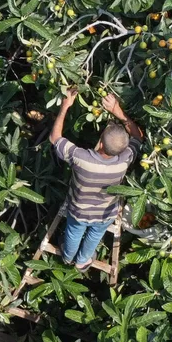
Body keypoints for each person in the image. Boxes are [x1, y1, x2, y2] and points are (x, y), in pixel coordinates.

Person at [49, 87, 144, 271]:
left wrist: (65, 106)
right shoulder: (125, 160)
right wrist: (117, 111)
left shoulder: (80, 158)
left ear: (100, 143)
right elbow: (138, 136)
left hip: (78, 211)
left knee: (74, 232)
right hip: (105, 214)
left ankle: (68, 257)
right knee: (94, 235)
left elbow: (55, 138)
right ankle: (83, 261)